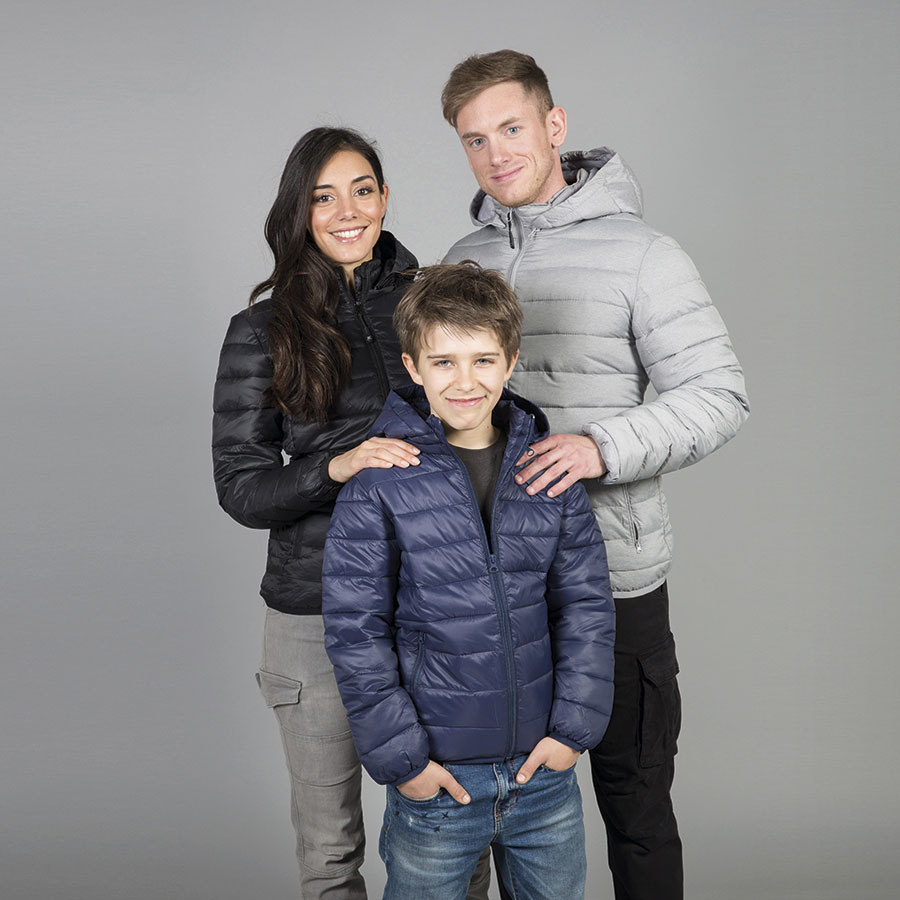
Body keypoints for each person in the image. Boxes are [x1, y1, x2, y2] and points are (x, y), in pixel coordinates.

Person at [440, 51, 750, 900]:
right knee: (480, 819)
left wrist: (599, 447)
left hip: (612, 583)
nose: (495, 153)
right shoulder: (460, 260)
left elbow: (721, 394)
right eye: (474, 140)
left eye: (511, 128)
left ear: (555, 125)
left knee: (636, 809)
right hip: (491, 592)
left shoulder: (644, 255)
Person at [213, 128, 497, 899]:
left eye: (362, 190)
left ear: (385, 198)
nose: (347, 211)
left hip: (435, 606)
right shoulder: (260, 331)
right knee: (332, 850)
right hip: (313, 613)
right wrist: (335, 466)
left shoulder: (431, 302)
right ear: (299, 211)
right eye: (324, 196)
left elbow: (482, 422)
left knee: (456, 834)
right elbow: (241, 489)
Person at [321, 262, 616, 900]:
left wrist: (571, 735)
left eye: (483, 360)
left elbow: (586, 609)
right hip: (438, 784)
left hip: (543, 776)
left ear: (510, 362)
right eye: (443, 362)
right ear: (413, 366)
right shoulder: (380, 482)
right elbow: (355, 631)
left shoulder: (548, 473)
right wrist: (405, 763)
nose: (464, 381)